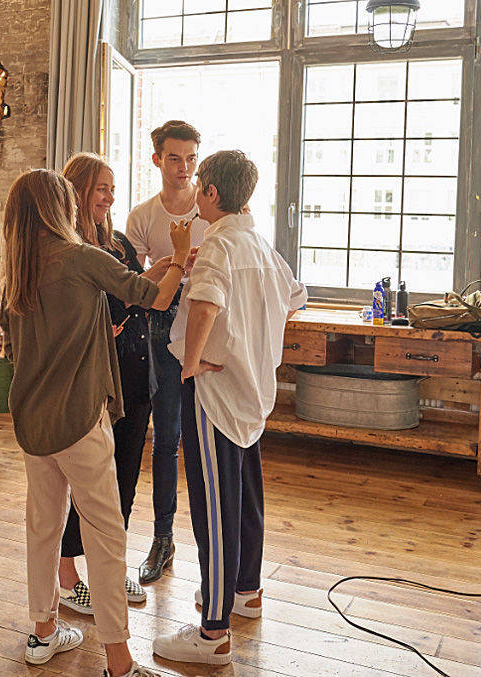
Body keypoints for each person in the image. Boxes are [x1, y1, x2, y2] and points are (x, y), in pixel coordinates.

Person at [1, 168, 190, 677]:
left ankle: (43, 633)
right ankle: (119, 661)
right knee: (106, 535)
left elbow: (20, 348)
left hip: (32, 422)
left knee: (42, 528)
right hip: (80, 419)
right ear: (60, 208)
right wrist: (180, 253)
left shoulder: (16, 275)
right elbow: (155, 297)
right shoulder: (81, 258)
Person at [151, 151, 306, 665]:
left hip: (217, 396)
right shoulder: (259, 244)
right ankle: (245, 590)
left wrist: (190, 363)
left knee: (214, 510)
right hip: (254, 390)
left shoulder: (218, 243)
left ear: (212, 193)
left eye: (199, 183)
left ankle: (213, 631)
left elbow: (206, 305)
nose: (194, 191)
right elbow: (291, 298)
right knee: (244, 493)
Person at [55, 153, 153, 615]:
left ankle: (109, 570)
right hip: (95, 378)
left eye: (112, 188)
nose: (110, 198)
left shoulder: (116, 242)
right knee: (88, 479)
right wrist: (133, 295)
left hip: (135, 370)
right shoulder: (68, 247)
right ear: (76, 192)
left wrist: (152, 278)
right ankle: (67, 571)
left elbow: (132, 295)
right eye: (100, 188)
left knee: (125, 476)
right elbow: (113, 308)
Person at [125, 120, 209, 584]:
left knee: (207, 442)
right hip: (157, 331)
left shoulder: (213, 210)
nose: (184, 168)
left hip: (207, 327)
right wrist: (173, 263)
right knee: (165, 440)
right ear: (157, 159)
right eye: (175, 158)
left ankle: (213, 547)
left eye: (191, 158)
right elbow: (134, 289)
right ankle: (162, 538)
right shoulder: (142, 217)